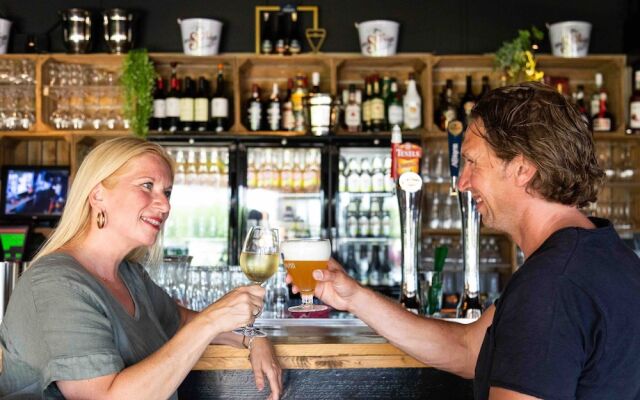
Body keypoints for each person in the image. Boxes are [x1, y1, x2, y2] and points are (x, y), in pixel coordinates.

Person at [289, 82, 640, 399]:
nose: (462, 181)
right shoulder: (604, 254)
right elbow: (470, 349)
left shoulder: (550, 286)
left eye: (472, 162)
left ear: (522, 169)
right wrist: (354, 297)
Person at [0, 137, 282, 399]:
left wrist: (252, 338)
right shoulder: (56, 285)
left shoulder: (129, 275)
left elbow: (180, 321)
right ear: (97, 195)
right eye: (147, 185)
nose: (165, 205)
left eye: (167, 192)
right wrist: (211, 322)